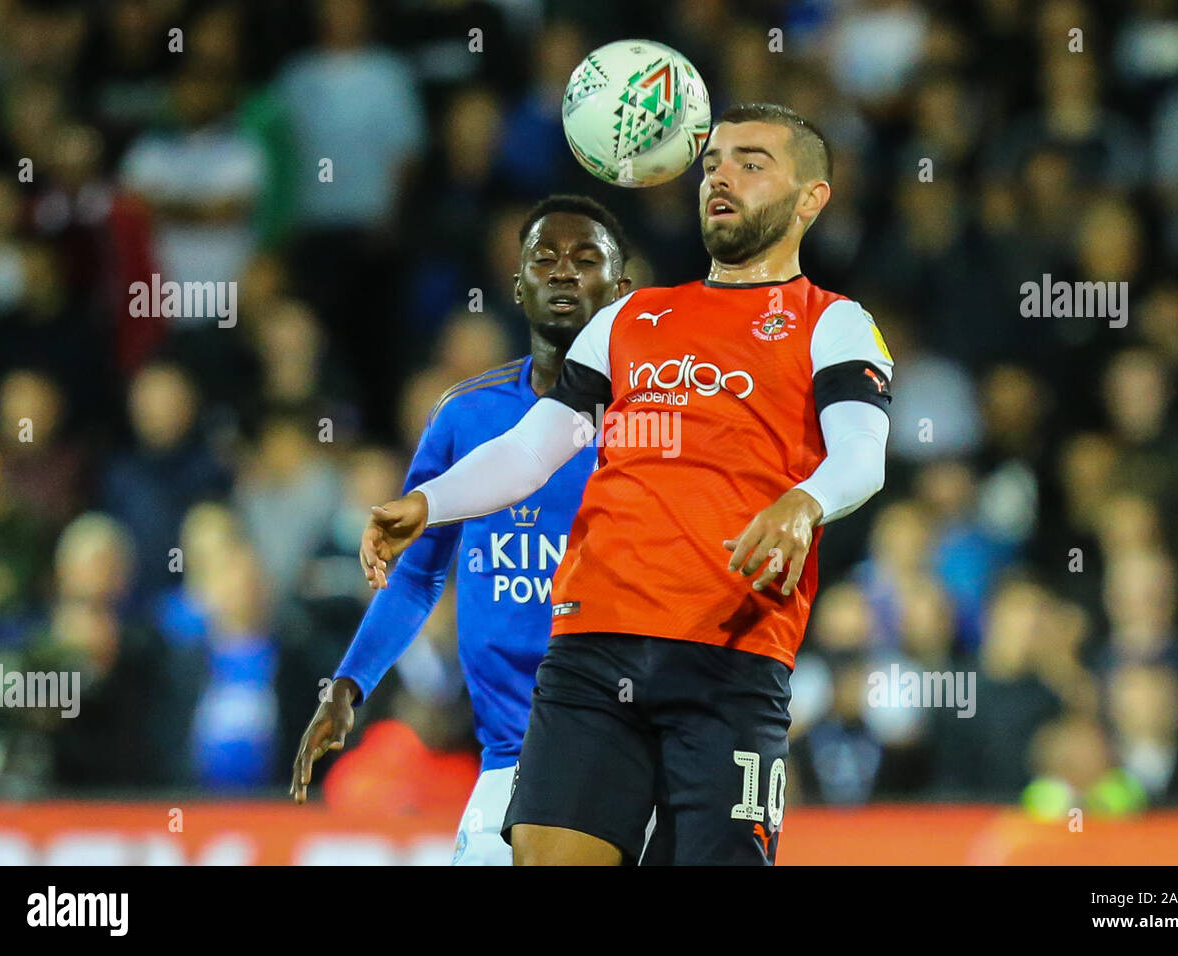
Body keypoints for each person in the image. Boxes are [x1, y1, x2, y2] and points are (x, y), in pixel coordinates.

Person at [362, 104, 894, 865]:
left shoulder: (832, 323)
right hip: (589, 651)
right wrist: (429, 501)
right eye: (712, 162)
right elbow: (535, 447)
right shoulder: (632, 318)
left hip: (730, 657)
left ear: (811, 198)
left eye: (752, 162)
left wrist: (804, 502)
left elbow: (864, 455)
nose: (720, 176)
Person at [290, 195, 633, 865]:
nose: (563, 273)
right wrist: (348, 684)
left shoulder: (654, 423)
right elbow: (416, 575)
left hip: (622, 753)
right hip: (507, 761)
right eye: (544, 259)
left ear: (620, 289)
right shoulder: (465, 417)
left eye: (586, 260)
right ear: (516, 284)